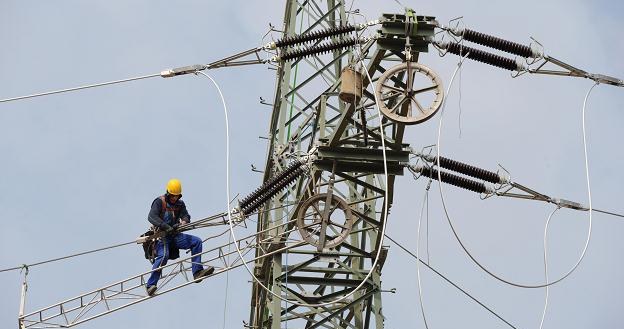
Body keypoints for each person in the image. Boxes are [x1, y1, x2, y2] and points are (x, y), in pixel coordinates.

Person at [145, 178, 214, 296]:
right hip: (162, 238)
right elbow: (151, 217)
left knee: (196, 242)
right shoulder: (159, 202)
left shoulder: (180, 204)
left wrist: (183, 222)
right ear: (168, 193)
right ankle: (150, 285)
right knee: (163, 256)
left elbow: (186, 215)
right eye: (172, 196)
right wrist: (165, 226)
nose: (174, 198)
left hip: (175, 236)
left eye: (176, 196)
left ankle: (197, 272)